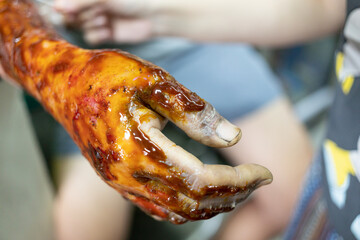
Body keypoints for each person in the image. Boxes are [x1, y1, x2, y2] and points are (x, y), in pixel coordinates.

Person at [56, 0, 360, 239]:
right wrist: (152, 14)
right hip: (82, 52)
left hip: (198, 42)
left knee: (288, 190)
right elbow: (332, 6)